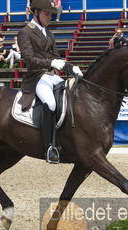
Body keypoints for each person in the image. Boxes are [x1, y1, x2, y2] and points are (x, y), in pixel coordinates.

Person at [18, 0, 82, 163]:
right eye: (47, 14)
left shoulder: (49, 33)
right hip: (37, 77)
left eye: (51, 14)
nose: (50, 17)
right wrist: (51, 63)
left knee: (71, 97)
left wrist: (70, 67)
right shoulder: (26, 32)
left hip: (52, 76)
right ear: (36, 13)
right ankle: (49, 146)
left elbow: (55, 57)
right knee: (51, 104)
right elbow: (29, 60)